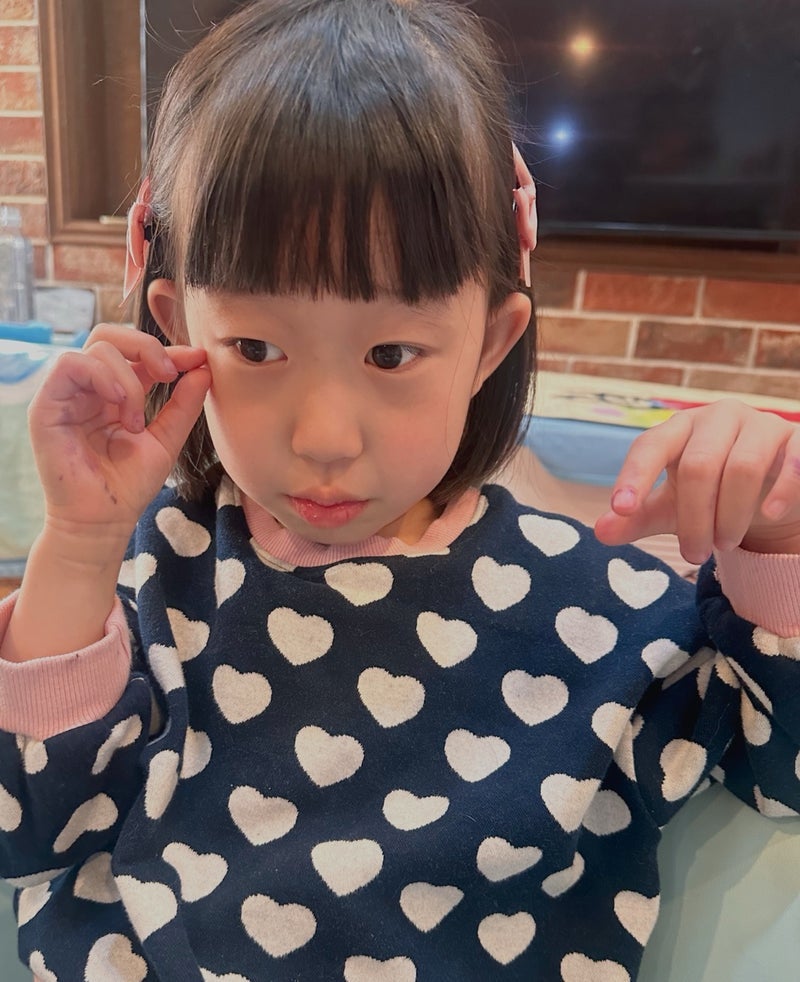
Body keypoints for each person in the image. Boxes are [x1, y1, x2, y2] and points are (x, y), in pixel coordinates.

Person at [0, 1, 798, 979]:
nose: (324, 437)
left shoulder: (598, 608)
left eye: (389, 353)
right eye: (255, 347)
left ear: (490, 342)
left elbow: (782, 770)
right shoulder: (151, 573)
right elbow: (27, 832)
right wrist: (80, 544)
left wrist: (776, 540)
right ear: (177, 324)